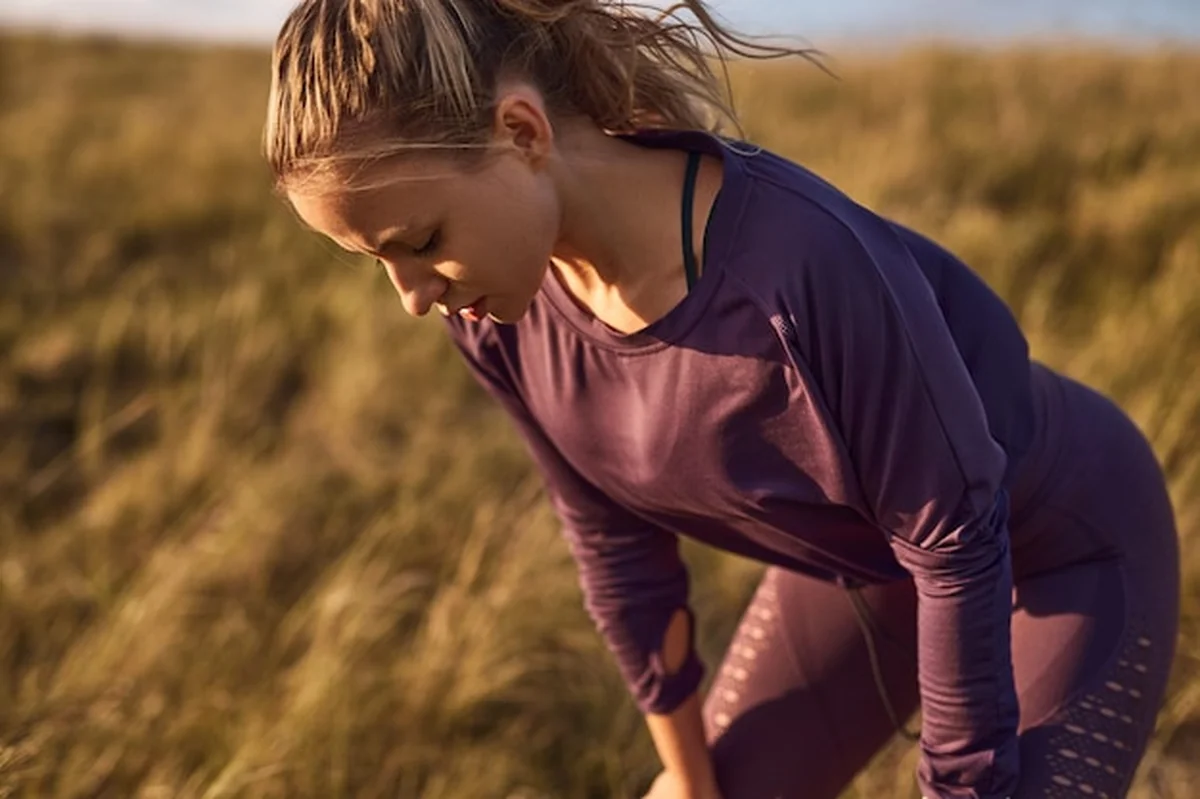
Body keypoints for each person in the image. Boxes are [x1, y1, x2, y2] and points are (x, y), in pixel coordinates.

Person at [262, 1, 1181, 797]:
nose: (411, 296)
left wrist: (960, 782)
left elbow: (957, 543)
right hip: (867, 575)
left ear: (521, 133)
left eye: (419, 240)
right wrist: (690, 774)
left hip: (1060, 553)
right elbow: (613, 543)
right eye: (376, 260)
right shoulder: (498, 312)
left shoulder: (798, 269)